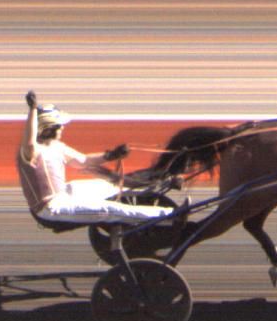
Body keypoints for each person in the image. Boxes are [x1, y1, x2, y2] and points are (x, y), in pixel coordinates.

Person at [18, 93, 177, 228]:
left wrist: (111, 155)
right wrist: (32, 110)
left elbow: (84, 161)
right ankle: (169, 214)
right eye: (59, 125)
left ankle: (158, 185)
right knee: (109, 210)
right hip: (51, 208)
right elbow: (29, 141)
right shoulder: (31, 152)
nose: (62, 128)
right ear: (47, 128)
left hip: (65, 193)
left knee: (109, 185)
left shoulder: (56, 146)